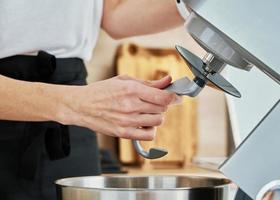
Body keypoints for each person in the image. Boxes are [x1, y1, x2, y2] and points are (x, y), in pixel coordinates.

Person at [0, 0, 184, 199]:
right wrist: (76, 104)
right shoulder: (78, 106)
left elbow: (115, 16)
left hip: (72, 130)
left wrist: (196, 5)